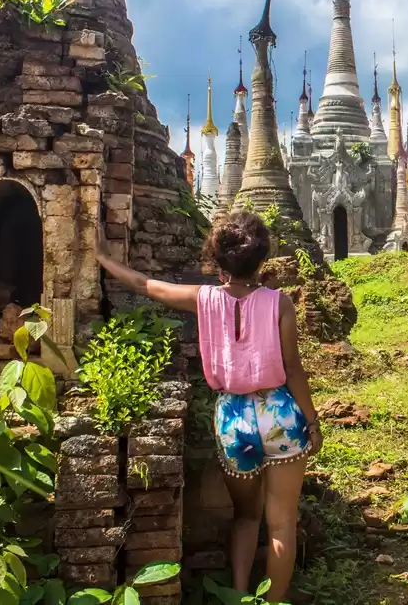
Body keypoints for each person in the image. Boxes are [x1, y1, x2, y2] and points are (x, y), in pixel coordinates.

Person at [94, 210, 322, 601]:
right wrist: (313, 423)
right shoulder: (279, 303)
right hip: (280, 414)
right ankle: (275, 600)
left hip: (233, 419)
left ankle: (237, 593)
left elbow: (145, 284)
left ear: (218, 260)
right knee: (282, 524)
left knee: (246, 516)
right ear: (262, 258)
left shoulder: (204, 299)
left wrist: (101, 256)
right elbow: (293, 369)